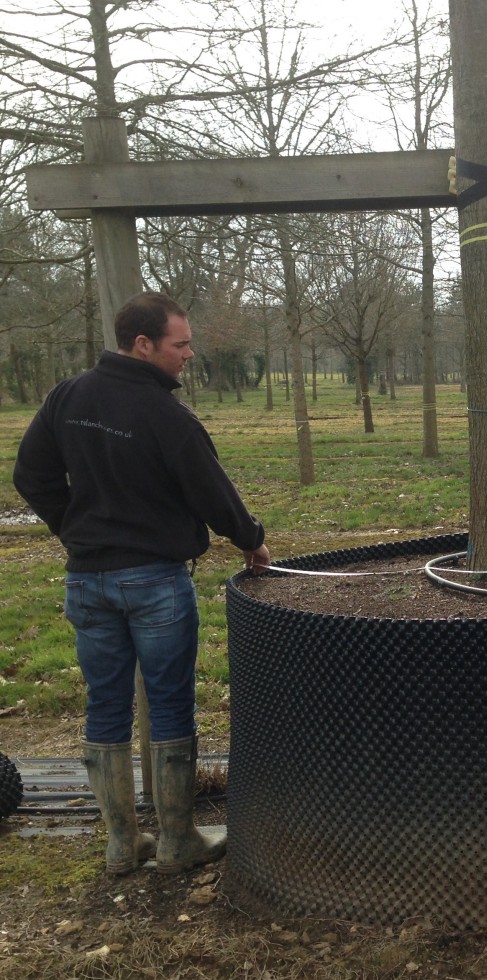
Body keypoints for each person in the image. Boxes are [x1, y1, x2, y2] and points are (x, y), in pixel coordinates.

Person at [13, 292, 270, 876]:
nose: (189, 354)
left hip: (87, 582)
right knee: (171, 700)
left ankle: (121, 845)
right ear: (143, 344)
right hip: (155, 582)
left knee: (104, 704)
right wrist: (250, 537)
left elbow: (31, 474)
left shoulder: (68, 396)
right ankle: (178, 841)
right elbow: (213, 493)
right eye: (180, 344)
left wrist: (75, 529)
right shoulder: (165, 415)